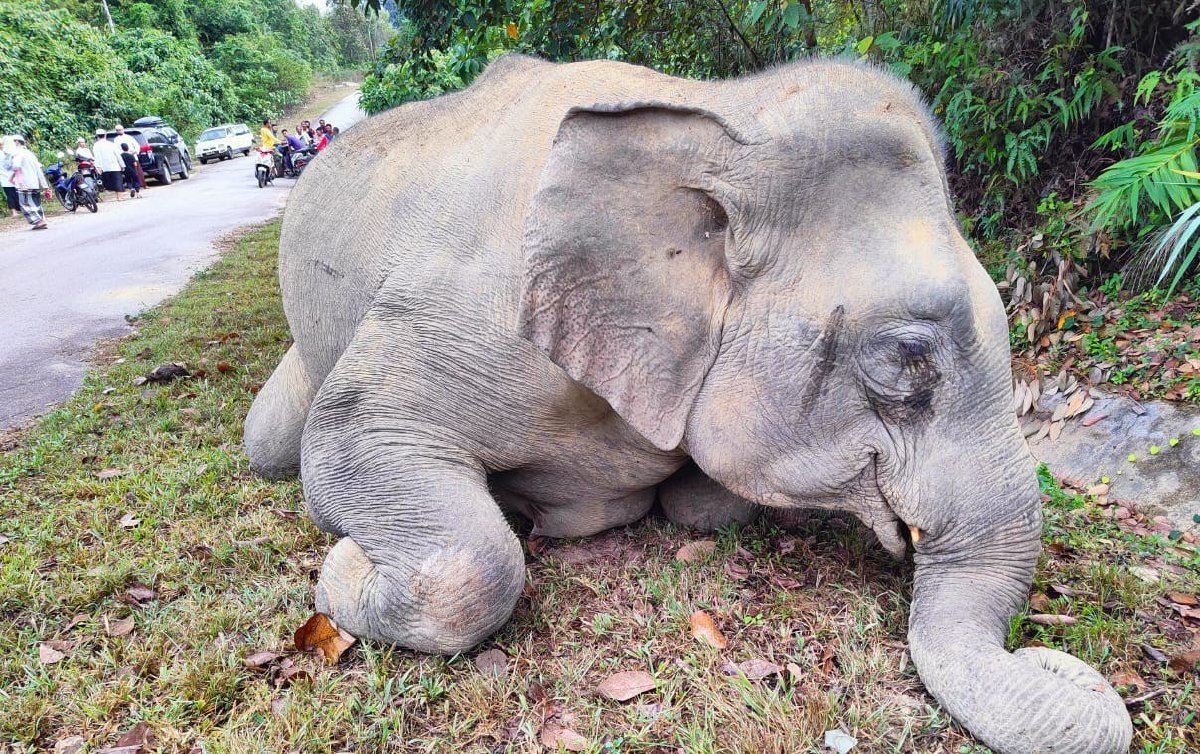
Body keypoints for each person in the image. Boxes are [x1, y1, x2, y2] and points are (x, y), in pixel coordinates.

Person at [6, 135, 50, 230]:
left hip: (24, 183)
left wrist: (12, 165)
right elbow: (39, 169)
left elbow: (16, 166)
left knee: (25, 204)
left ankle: (39, 221)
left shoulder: (18, 153)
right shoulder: (30, 154)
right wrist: (45, 185)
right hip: (34, 183)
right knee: (36, 203)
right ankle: (42, 220)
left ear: (17, 142)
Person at [92, 129, 124, 199]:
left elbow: (96, 157)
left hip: (104, 167)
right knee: (118, 181)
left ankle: (118, 196)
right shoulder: (111, 144)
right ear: (105, 135)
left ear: (97, 136)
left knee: (109, 183)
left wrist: (98, 167)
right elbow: (118, 155)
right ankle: (119, 197)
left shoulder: (96, 145)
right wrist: (122, 165)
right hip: (115, 166)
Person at [0, 136, 18, 219]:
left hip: (15, 177)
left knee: (17, 194)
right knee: (10, 195)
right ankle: (14, 212)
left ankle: (20, 209)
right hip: (5, 178)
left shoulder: (9, 151)